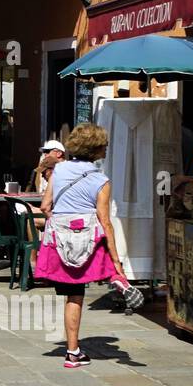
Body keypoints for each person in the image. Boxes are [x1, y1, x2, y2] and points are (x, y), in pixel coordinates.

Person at [39, 123, 127, 369]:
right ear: (95, 148)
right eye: (104, 145)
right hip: (86, 239)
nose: (107, 148)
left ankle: (73, 351)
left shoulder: (59, 170)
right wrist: (117, 260)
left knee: (72, 295)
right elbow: (105, 222)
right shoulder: (101, 180)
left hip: (60, 239)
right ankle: (114, 275)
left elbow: (46, 206)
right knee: (77, 295)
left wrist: (58, 223)